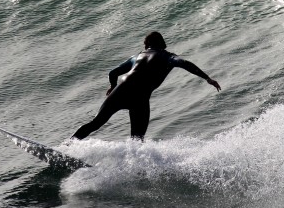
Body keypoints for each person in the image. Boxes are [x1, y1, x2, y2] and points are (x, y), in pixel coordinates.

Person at [72, 31, 221, 141]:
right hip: (140, 98)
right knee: (137, 139)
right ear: (162, 43)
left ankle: (67, 146)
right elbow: (184, 63)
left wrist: (112, 86)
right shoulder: (168, 57)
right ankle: (134, 169)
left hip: (121, 91)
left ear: (147, 45)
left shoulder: (137, 57)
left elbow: (113, 73)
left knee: (95, 123)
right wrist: (207, 78)